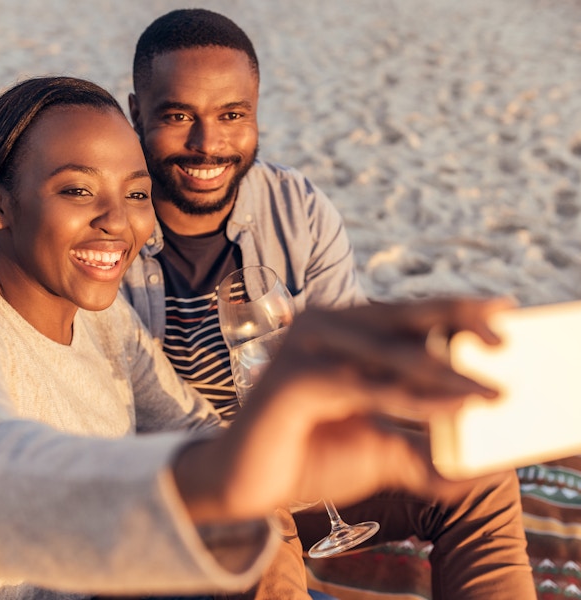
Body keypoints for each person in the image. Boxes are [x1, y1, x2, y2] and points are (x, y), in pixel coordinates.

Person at [0, 75, 518, 600]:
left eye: (133, 195)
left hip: (97, 575)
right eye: (76, 191)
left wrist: (267, 501)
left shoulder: (98, 317)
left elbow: (189, 424)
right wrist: (224, 486)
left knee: (462, 464)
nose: (116, 223)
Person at [121, 9, 537, 599]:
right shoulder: (106, 231)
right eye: (178, 115)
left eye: (232, 115)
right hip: (199, 480)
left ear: (256, 113)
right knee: (256, 530)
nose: (207, 143)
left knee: (479, 469)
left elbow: (350, 376)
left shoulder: (298, 209)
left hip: (304, 456)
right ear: (137, 112)